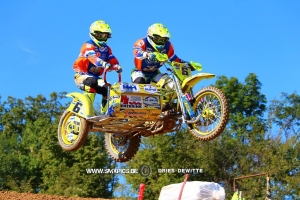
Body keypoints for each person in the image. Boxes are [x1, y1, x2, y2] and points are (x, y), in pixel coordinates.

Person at [73, 20, 122, 114]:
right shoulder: (87, 45)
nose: (102, 38)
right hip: (81, 75)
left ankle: (106, 113)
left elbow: (112, 59)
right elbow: (92, 57)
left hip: (96, 77)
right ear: (93, 34)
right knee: (91, 82)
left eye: (105, 35)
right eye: (100, 35)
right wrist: (103, 63)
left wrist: (116, 66)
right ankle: (87, 110)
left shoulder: (107, 49)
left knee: (109, 89)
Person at [132, 23, 201, 84]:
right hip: (139, 72)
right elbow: (136, 52)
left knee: (171, 84)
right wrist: (147, 54)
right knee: (139, 82)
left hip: (155, 74)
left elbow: (174, 59)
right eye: (158, 39)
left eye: (163, 40)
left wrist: (187, 64)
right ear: (150, 36)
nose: (160, 42)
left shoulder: (168, 46)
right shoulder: (142, 42)